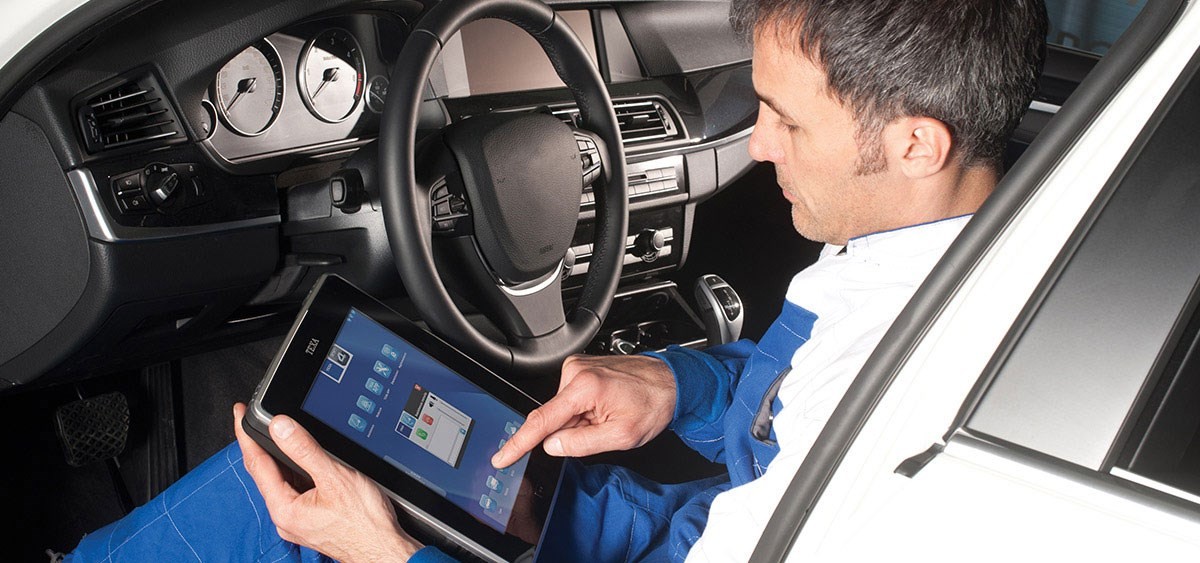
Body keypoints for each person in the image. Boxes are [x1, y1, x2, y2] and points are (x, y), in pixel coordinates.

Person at [66, 0, 1047, 561]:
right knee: (323, 460)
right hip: (679, 525)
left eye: (787, 120)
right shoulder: (959, 257)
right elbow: (788, 419)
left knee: (311, 499)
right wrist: (678, 385)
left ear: (916, 144)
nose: (757, 144)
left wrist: (391, 555)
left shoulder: (924, 420)